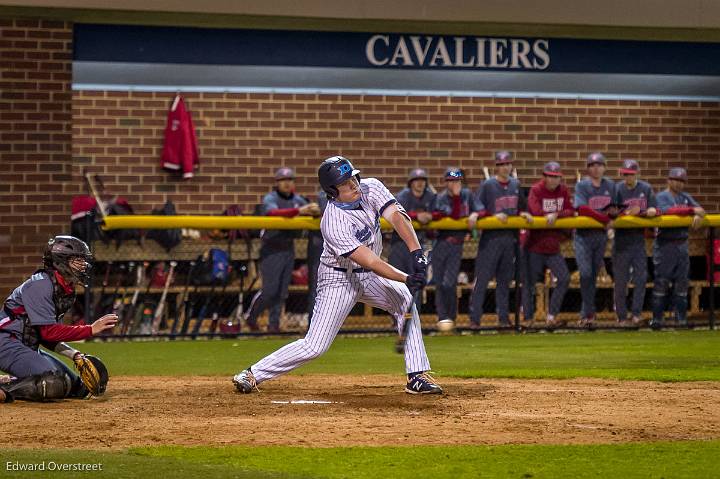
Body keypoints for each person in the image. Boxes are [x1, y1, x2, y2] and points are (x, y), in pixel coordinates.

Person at [232, 156, 441, 395]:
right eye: (345, 182)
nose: (353, 184)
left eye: (353, 177)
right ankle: (252, 373)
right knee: (315, 346)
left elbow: (396, 216)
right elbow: (371, 261)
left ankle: (416, 375)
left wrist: (416, 253)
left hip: (369, 277)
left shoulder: (371, 187)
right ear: (332, 190)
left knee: (404, 298)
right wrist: (405, 277)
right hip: (338, 280)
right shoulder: (332, 221)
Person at [0, 236, 117, 402]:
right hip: (5, 343)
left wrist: (74, 355)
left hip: (24, 346)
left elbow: (45, 335)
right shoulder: (40, 285)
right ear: (61, 262)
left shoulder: (64, 290)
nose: (83, 265)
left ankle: (11, 381)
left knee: (77, 388)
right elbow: (49, 332)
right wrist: (90, 329)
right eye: (77, 260)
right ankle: (5, 391)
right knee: (53, 383)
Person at [245, 167, 320, 333]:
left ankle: (273, 326)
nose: (287, 183)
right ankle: (251, 317)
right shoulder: (271, 198)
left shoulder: (298, 200)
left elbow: (311, 210)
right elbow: (272, 212)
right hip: (271, 248)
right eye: (283, 180)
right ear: (277, 183)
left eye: (290, 180)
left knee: (281, 292)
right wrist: (299, 211)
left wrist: (314, 210)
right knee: (269, 291)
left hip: (288, 248)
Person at [467, 151, 533, 328]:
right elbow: (478, 207)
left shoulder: (515, 184)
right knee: (482, 280)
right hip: (491, 239)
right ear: (496, 167)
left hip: (510, 238)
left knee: (504, 281)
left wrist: (524, 213)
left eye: (508, 164)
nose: (505, 167)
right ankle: (474, 319)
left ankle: (503, 319)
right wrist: (493, 215)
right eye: (502, 164)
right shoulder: (488, 185)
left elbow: (521, 207)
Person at [650, 167, 705, 329]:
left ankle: (681, 320)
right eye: (676, 180)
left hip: (682, 244)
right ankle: (657, 320)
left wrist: (696, 214)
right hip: (665, 244)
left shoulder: (685, 197)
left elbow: (701, 210)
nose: (679, 184)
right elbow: (669, 211)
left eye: (682, 181)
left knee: (682, 283)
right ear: (669, 180)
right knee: (662, 282)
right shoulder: (660, 197)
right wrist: (691, 210)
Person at [522, 162, 575, 327]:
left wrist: (556, 214)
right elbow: (535, 211)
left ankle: (551, 316)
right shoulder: (536, 190)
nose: (553, 180)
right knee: (529, 284)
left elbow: (570, 210)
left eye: (556, 177)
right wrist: (550, 215)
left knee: (565, 278)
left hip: (553, 247)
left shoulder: (563, 190)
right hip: (534, 246)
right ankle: (528, 319)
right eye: (550, 177)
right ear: (544, 177)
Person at [574, 152, 617, 327]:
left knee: (592, 276)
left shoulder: (611, 185)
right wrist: (605, 219)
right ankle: (588, 312)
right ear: (588, 168)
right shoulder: (582, 185)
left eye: (599, 165)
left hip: (600, 236)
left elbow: (615, 207)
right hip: (583, 236)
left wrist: (613, 218)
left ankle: (588, 314)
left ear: (604, 167)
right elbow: (582, 208)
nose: (596, 168)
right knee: (585, 274)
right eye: (592, 165)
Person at [613, 159, 657, 325]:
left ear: (637, 173)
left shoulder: (645, 188)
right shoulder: (617, 189)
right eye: (626, 174)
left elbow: (655, 210)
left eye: (631, 173)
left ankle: (636, 314)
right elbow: (611, 211)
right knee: (621, 281)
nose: (628, 176)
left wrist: (644, 211)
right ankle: (622, 317)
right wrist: (628, 212)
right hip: (621, 240)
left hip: (638, 241)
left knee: (641, 278)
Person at [388, 168, 438, 313]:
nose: (420, 183)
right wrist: (417, 216)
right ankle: (398, 316)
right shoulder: (403, 196)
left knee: (416, 282)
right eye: (416, 180)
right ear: (411, 183)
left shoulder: (430, 196)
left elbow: (439, 211)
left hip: (419, 244)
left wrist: (431, 216)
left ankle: (414, 316)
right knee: (397, 282)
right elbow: (397, 213)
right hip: (400, 244)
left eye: (422, 180)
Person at [432, 168, 475, 325]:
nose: (454, 184)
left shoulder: (467, 194)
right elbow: (455, 215)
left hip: (457, 246)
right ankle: (443, 318)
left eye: (457, 180)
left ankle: (452, 317)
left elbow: (482, 210)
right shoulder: (441, 198)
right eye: (451, 180)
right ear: (446, 182)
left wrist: (475, 214)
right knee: (439, 283)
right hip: (441, 244)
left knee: (449, 283)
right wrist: (456, 196)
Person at [306, 188, 329, 325]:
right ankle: (314, 325)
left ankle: (328, 325)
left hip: (342, 250)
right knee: (317, 288)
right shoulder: (324, 194)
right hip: (320, 249)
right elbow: (328, 210)